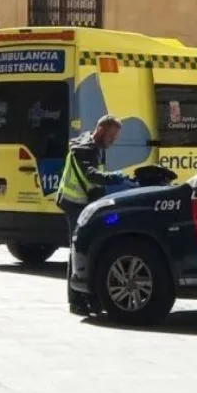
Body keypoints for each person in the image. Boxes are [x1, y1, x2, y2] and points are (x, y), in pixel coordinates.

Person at [56, 115, 134, 315]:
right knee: (78, 251)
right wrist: (115, 178)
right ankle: (76, 301)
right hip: (75, 204)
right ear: (101, 130)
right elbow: (91, 174)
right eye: (112, 136)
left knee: (88, 249)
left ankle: (91, 299)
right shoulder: (85, 150)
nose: (113, 141)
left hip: (85, 203)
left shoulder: (95, 147)